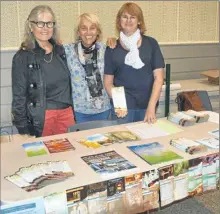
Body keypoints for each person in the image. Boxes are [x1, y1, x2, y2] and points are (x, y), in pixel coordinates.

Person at [11, 5, 75, 137]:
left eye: (49, 23)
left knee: (68, 155)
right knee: (43, 157)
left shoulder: (60, 51)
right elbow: (19, 96)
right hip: (42, 118)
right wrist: (22, 128)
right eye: (40, 23)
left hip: (66, 114)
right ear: (31, 26)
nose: (45, 28)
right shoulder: (22, 57)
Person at [104, 2, 165, 124]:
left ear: (139, 21)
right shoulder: (112, 47)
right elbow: (108, 82)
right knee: (122, 141)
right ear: (119, 21)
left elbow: (159, 78)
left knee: (148, 141)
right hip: (123, 109)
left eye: (133, 17)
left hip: (147, 106)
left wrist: (151, 107)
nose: (128, 20)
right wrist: (119, 105)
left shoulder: (151, 44)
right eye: (124, 17)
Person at [64, 13, 111, 123]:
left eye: (92, 28)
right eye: (84, 28)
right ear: (78, 32)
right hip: (78, 111)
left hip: (103, 109)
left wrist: (115, 40)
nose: (88, 32)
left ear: (98, 31)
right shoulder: (67, 51)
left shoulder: (107, 50)